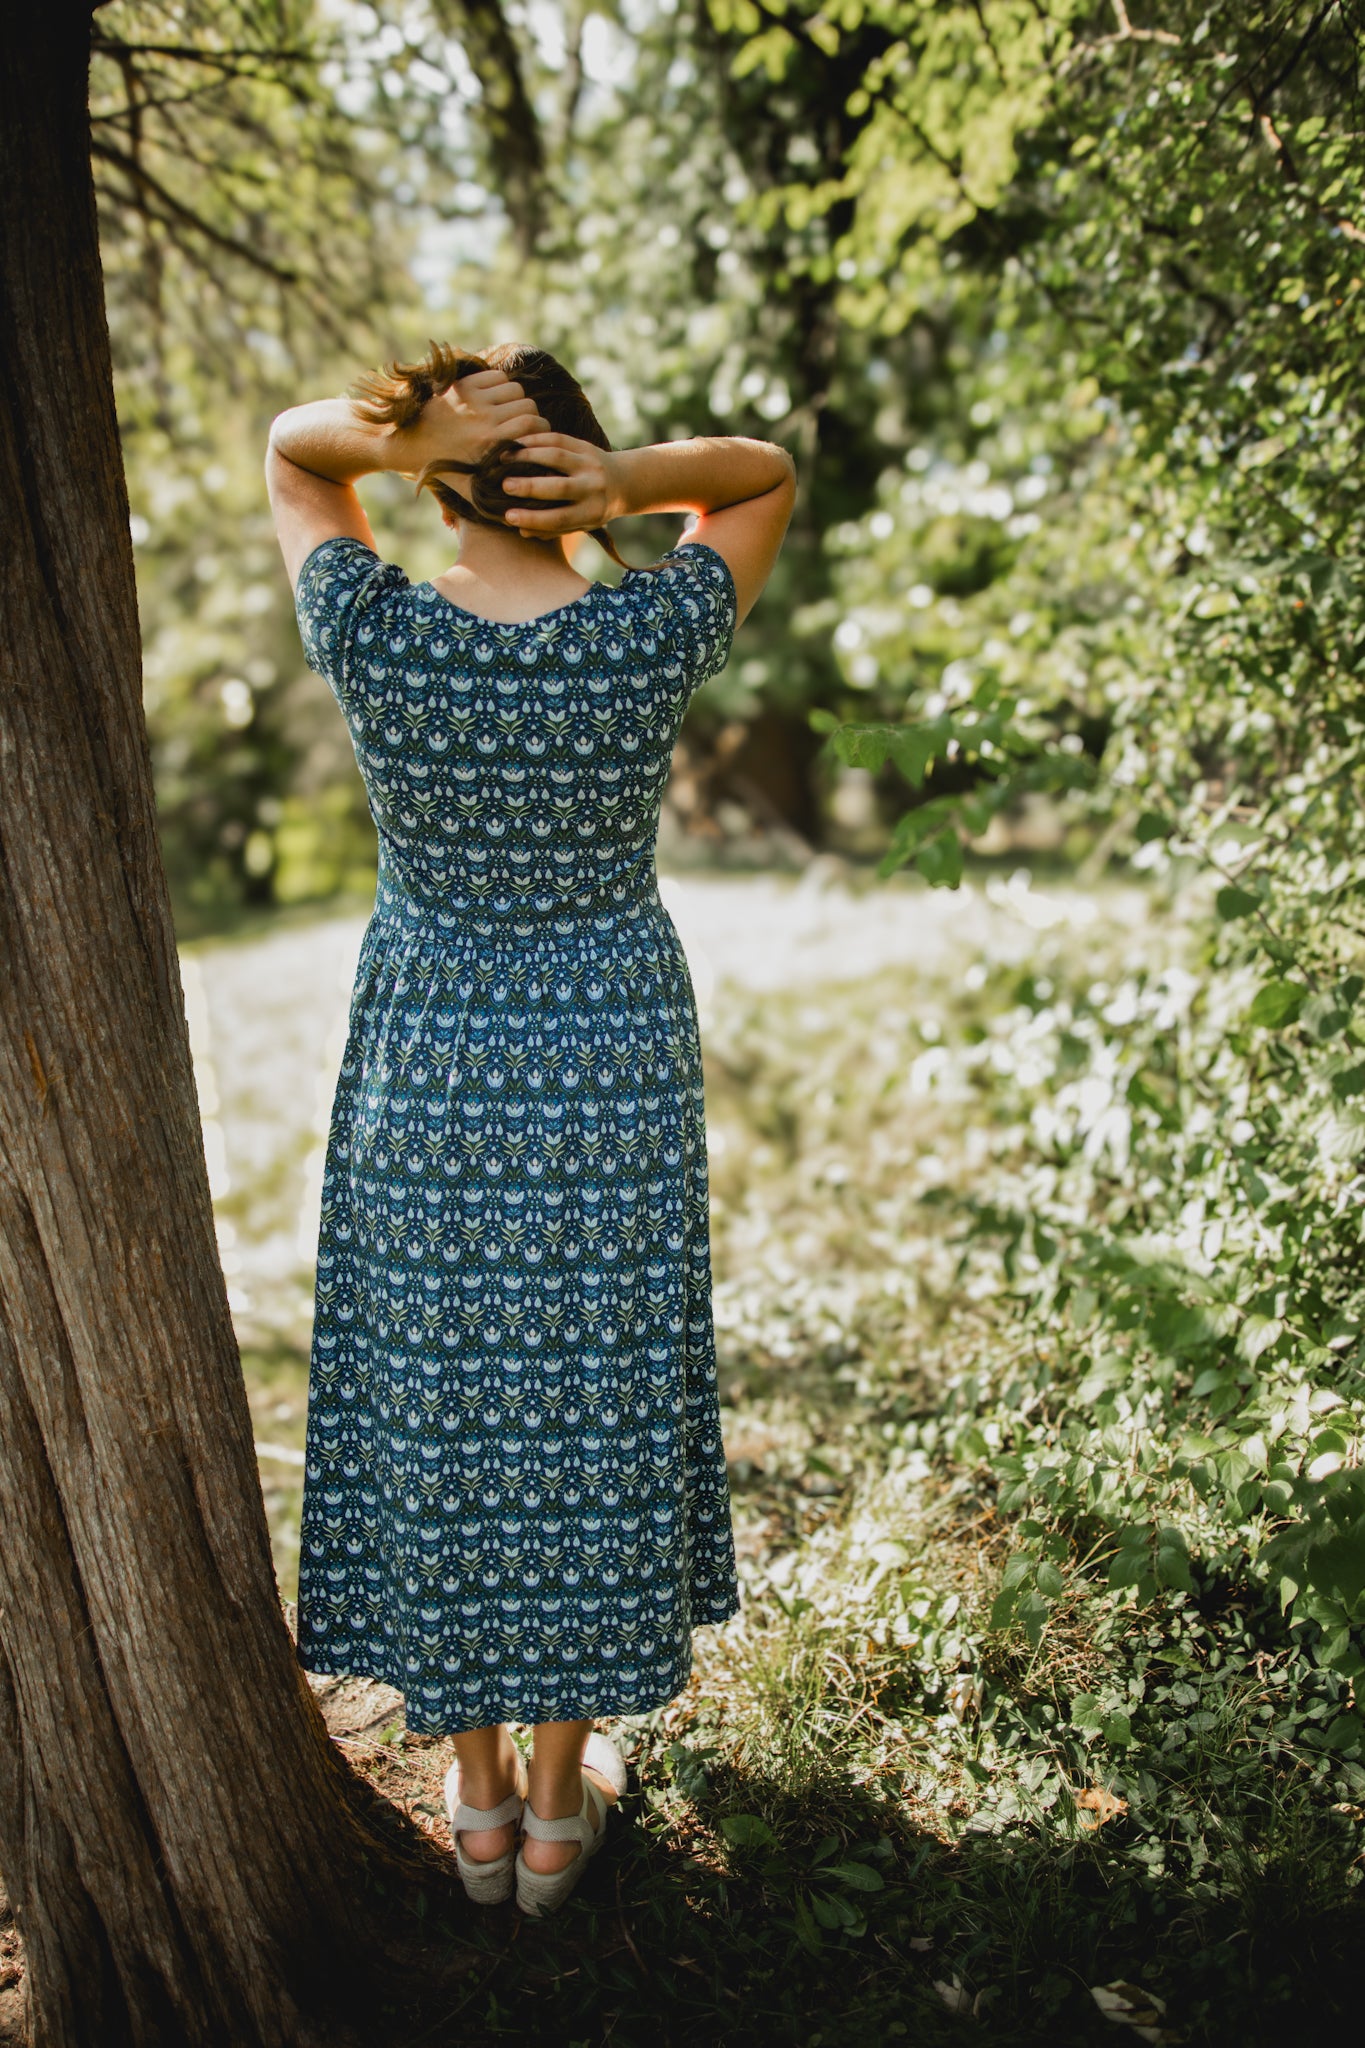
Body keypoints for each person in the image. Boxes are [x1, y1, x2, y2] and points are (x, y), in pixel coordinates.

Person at [266, 342, 794, 1913]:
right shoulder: (647, 630)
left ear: (434, 475)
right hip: (610, 1061)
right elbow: (759, 475)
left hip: (430, 1062)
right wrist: (632, 489)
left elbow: (296, 458)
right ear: (576, 462)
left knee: (445, 1397)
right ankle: (563, 1803)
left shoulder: (375, 630)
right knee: (590, 1396)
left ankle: (478, 1787)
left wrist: (408, 429)